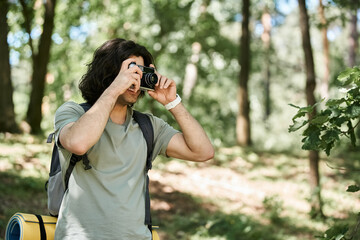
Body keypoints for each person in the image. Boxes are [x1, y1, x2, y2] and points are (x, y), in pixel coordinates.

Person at [53, 38, 214, 240]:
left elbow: (203, 152)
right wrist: (114, 88)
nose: (136, 80)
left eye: (141, 72)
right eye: (131, 71)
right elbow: (78, 143)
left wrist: (172, 102)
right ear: (109, 72)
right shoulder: (72, 112)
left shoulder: (149, 126)